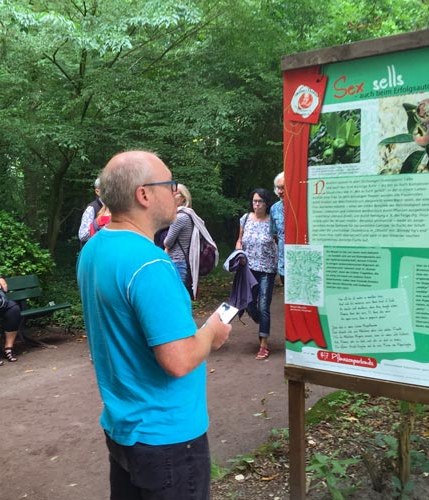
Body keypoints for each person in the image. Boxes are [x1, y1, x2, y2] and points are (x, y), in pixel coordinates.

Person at [77, 150, 232, 500]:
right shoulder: (150, 263)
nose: (176, 191)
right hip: (168, 439)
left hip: (123, 429)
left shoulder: (93, 249)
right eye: (169, 183)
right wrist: (212, 332)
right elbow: (178, 359)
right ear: (143, 195)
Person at [236, 188, 278, 360]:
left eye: (260, 201)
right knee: (248, 303)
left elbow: (279, 240)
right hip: (249, 269)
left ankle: (263, 344)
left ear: (266, 204)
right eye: (254, 201)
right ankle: (263, 323)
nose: (256, 205)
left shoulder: (272, 222)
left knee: (263, 306)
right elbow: (240, 239)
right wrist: (238, 249)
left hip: (267, 269)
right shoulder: (245, 219)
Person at [163, 183, 194, 295]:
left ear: (182, 198)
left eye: (174, 194)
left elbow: (167, 242)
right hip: (181, 262)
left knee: (175, 296)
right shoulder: (188, 215)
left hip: (176, 262)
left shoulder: (180, 217)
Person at [270, 171, 285, 285]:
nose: (280, 191)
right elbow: (273, 234)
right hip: (283, 262)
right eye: (278, 188)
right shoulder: (274, 208)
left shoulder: (303, 205)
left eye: (283, 188)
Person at [78, 177, 104, 246]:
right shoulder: (91, 208)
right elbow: (82, 235)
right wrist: (99, 226)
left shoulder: (115, 208)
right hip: (93, 253)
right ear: (97, 191)